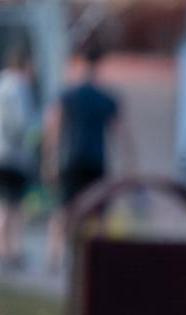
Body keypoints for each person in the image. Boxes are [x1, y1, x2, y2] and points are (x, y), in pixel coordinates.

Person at [43, 42, 134, 270]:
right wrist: (129, 163)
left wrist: (50, 159)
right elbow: (121, 133)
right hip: (96, 160)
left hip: (71, 159)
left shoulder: (69, 94)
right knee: (98, 211)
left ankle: (55, 256)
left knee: (63, 210)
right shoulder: (106, 98)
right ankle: (96, 259)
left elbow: (54, 126)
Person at [0, 46, 36, 269]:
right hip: (15, 155)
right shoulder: (20, 88)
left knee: (3, 203)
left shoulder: (2, 84)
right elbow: (23, 123)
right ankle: (13, 250)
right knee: (15, 206)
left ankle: (2, 248)